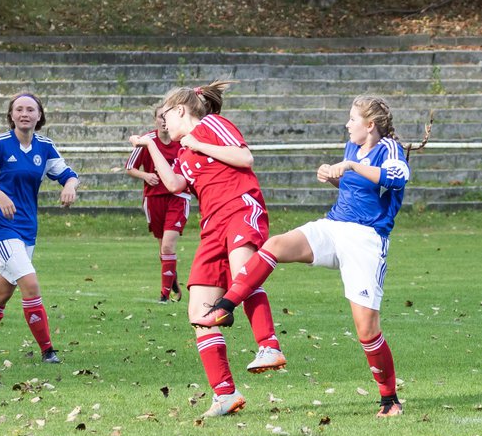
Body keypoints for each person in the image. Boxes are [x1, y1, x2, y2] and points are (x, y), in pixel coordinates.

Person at [192, 97, 410, 417]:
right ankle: (225, 307)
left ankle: (389, 400)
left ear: (370, 125)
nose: (347, 124)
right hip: (334, 226)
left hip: (366, 239)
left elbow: (397, 177)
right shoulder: (354, 147)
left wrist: (348, 166)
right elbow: (359, 187)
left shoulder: (388, 148)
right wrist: (334, 176)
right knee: (276, 244)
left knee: (367, 330)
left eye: (352, 119)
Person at [127, 81, 287, 418]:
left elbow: (245, 157)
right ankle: (225, 394)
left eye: (165, 114)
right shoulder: (184, 151)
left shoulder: (210, 125)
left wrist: (199, 143)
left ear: (181, 110)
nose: (162, 121)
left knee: (245, 273)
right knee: (199, 313)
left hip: (241, 208)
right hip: (212, 227)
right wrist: (150, 146)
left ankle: (269, 346)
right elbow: (173, 184)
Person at [0, 92, 79, 364]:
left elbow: (68, 174)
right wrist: (0, 195)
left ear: (39, 115)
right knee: (30, 283)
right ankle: (48, 350)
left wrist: (69, 186)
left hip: (28, 228)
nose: (25, 113)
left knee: (2, 293)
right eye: (19, 109)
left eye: (30, 109)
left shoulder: (45, 146)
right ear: (11, 115)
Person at [125, 105, 190, 303]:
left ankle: (164, 295)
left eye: (166, 116)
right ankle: (172, 278)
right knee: (163, 247)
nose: (163, 120)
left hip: (178, 198)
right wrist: (146, 175)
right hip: (154, 199)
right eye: (160, 117)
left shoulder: (182, 141)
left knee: (169, 246)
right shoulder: (148, 141)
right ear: (155, 120)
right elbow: (129, 167)